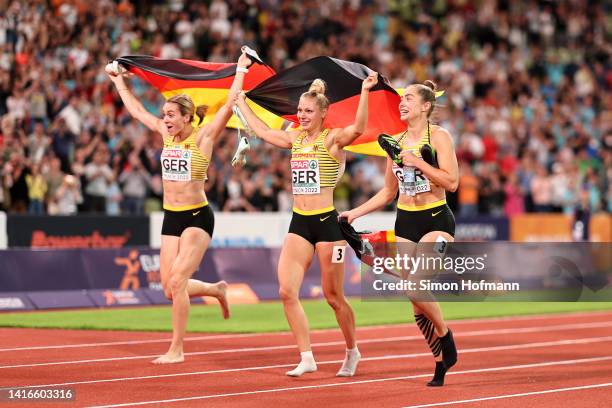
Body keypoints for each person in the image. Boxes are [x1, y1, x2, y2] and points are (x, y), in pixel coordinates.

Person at [107, 50, 253, 364]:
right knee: (171, 290)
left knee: (177, 281)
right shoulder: (165, 135)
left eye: (171, 115)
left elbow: (228, 105)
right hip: (171, 216)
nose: (165, 119)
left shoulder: (203, 137)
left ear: (187, 118)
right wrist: (119, 82)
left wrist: (240, 70)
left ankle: (177, 349)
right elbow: (136, 112)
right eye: (164, 115)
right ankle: (215, 290)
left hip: (197, 217)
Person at [235, 73, 379, 377]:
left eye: (308, 111)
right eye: (299, 111)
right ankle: (306, 356)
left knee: (333, 297)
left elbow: (360, 127)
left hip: (328, 226)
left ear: (323, 113)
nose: (301, 115)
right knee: (287, 291)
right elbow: (260, 131)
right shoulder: (294, 138)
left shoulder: (333, 138)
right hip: (300, 223)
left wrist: (365, 91)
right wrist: (241, 102)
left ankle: (352, 350)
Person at [341, 80, 459, 386]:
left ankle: (446, 337)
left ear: (425, 106)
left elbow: (452, 182)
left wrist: (419, 162)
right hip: (405, 220)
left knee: (416, 285)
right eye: (401, 99)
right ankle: (439, 363)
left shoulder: (440, 136)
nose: (401, 103)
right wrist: (354, 213)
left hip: (436, 219)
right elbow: (386, 193)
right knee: (415, 302)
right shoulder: (394, 141)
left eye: (407, 98)